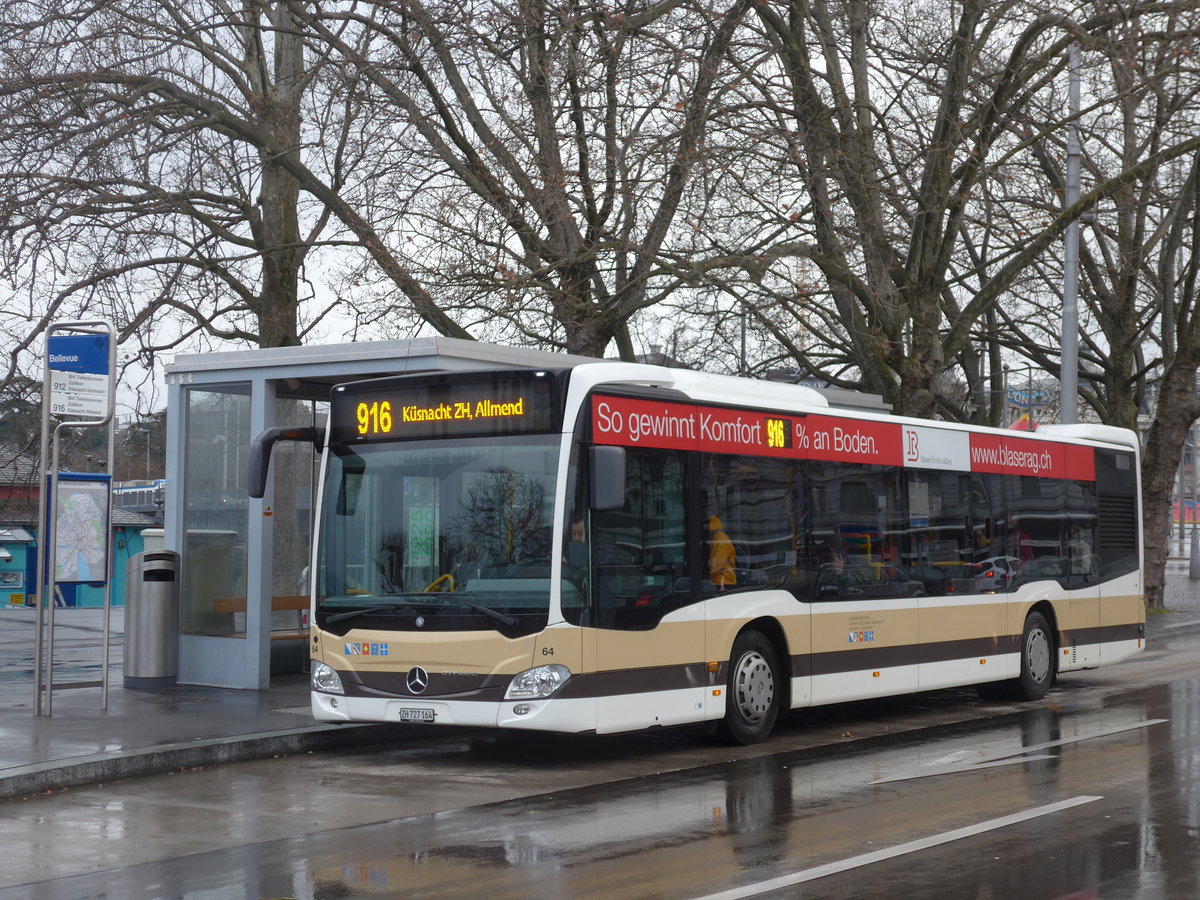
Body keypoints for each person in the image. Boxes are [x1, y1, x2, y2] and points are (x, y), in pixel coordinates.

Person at [707, 515, 736, 590]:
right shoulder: (719, 537)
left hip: (723, 581)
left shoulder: (719, 538)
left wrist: (708, 571)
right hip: (721, 580)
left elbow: (717, 565)